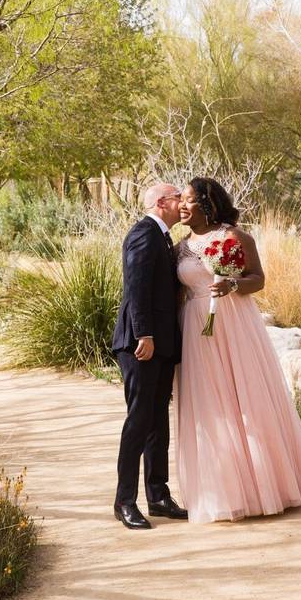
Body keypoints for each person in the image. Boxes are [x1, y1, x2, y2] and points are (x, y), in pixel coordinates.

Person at [175, 177, 301, 524]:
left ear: (208, 203)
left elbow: (258, 279)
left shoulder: (234, 237)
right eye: (180, 201)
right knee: (212, 406)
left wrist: (232, 284)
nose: (182, 207)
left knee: (245, 399)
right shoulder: (180, 248)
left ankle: (266, 485)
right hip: (197, 331)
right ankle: (227, 490)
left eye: (188, 200)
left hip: (234, 323)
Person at [110, 183, 189, 529]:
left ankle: (158, 496)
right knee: (139, 421)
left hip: (159, 345)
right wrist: (144, 333)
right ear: (161, 203)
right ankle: (124, 501)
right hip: (140, 344)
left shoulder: (163, 237)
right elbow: (137, 287)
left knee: (157, 422)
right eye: (177, 198)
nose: (182, 203)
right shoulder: (143, 234)